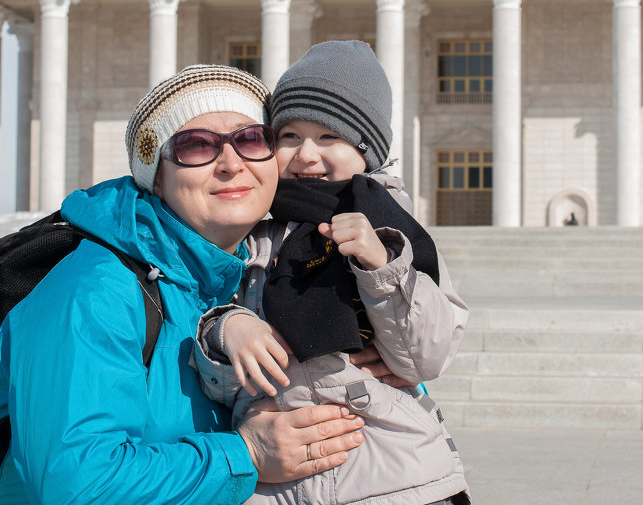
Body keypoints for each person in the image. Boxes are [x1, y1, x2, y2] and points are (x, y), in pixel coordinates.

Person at [0, 65, 365, 505]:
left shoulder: (256, 275)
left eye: (250, 139)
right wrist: (246, 454)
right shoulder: (94, 289)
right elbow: (75, 485)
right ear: (157, 176)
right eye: (196, 146)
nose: (231, 163)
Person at [194, 41, 471, 505]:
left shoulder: (394, 231)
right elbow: (218, 381)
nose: (306, 154)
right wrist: (227, 331)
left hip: (393, 476)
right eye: (289, 136)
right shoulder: (250, 234)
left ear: (368, 150)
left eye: (329, 137)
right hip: (277, 479)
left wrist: (380, 266)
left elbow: (427, 358)